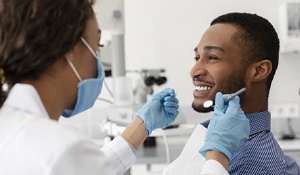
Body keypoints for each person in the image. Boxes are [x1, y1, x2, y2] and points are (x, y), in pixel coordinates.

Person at [0, 1, 250, 175]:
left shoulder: (13, 128)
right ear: (70, 52)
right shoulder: (62, 152)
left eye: (213, 57)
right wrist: (217, 154)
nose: (195, 71)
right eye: (97, 47)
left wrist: (142, 125)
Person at [164, 12, 299, 175]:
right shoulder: (214, 138)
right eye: (197, 57)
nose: (194, 71)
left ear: (258, 71)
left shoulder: (258, 166)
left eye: (212, 57)